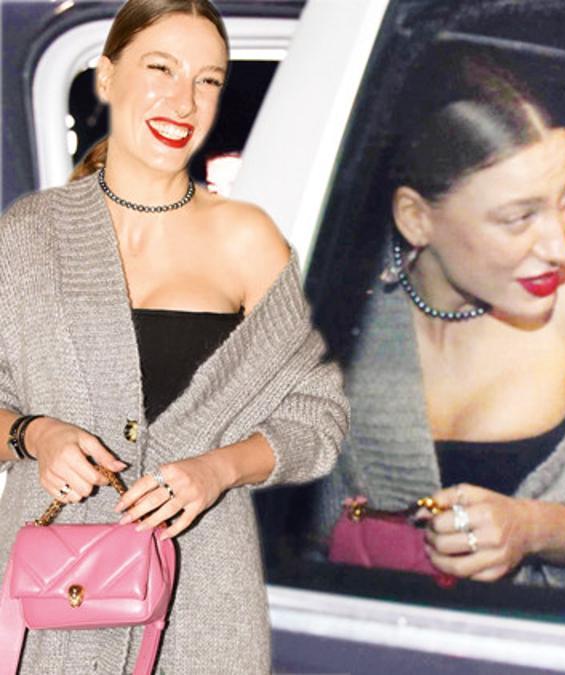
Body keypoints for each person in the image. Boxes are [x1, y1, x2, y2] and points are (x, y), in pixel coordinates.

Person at [0, 1, 348, 672]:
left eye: (207, 79)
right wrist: (35, 435)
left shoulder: (248, 241)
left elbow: (317, 418)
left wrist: (218, 469)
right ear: (107, 76)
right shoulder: (28, 237)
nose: (184, 100)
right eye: (160, 68)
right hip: (49, 618)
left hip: (202, 607)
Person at [311, 45, 565, 587]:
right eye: (518, 218)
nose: (558, 245)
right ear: (416, 218)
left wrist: (531, 529)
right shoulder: (336, 306)